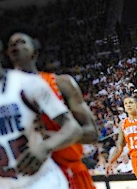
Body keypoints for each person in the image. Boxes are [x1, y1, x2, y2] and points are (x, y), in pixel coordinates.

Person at [0, 31, 82, 189]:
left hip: (43, 180)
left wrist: (46, 147)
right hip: (2, 184)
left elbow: (73, 127)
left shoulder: (29, 83)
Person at [7, 30, 98, 189]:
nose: (15, 45)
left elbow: (92, 132)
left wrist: (51, 139)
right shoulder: (1, 95)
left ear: (34, 51)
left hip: (68, 173)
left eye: (21, 41)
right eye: (11, 44)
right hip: (30, 178)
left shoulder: (61, 83)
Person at [106, 95, 137, 177]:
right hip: (135, 158)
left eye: (131, 103)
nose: (128, 105)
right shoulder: (123, 124)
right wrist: (110, 162)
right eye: (125, 103)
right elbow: (119, 146)